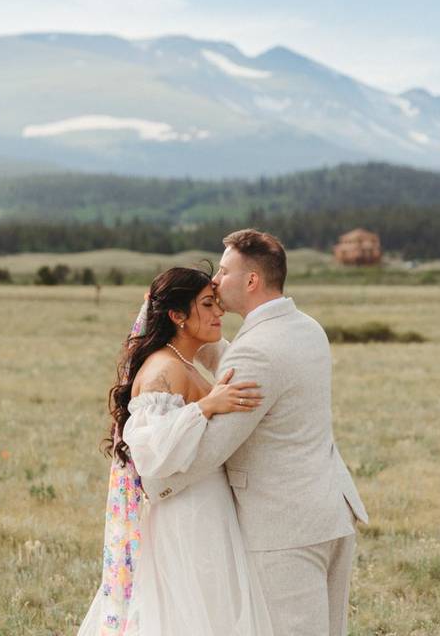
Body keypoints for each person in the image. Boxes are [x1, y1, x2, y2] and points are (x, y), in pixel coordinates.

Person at [142, 229, 369, 636]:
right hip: (329, 512)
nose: (215, 281)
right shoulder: (305, 327)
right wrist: (187, 334)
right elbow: (248, 363)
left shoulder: (257, 350)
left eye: (224, 271)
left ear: (251, 281)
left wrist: (150, 476)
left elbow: (212, 449)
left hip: (283, 527)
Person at [77, 266, 274, 636]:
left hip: (207, 503)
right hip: (187, 511)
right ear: (177, 316)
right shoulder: (162, 371)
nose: (219, 313)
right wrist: (205, 407)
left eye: (217, 303)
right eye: (207, 304)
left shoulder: (186, 361)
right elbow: (151, 454)